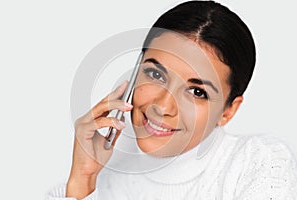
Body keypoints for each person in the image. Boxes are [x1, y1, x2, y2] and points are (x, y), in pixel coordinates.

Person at [47, 1, 297, 199]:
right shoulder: (105, 177)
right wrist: (83, 180)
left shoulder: (257, 161)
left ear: (228, 111)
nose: (163, 106)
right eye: (155, 74)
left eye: (197, 92)